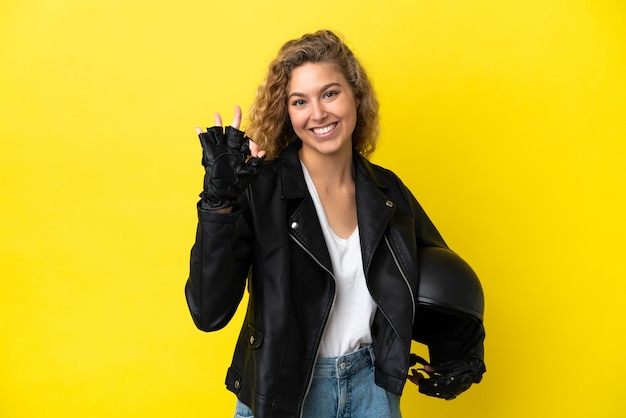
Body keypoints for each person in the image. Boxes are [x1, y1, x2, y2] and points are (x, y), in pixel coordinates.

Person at [185, 30, 486, 418]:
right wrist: (218, 205)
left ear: (355, 96)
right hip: (284, 393)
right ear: (286, 112)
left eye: (330, 93)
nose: (318, 113)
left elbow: (440, 275)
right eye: (299, 101)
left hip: (372, 391)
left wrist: (464, 356)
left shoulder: (387, 191)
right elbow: (209, 312)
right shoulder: (260, 190)